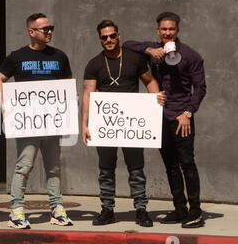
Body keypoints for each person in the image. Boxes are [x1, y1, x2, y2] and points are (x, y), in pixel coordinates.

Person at [123, 12, 206, 228]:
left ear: (177, 31)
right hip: (158, 115)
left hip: (181, 117)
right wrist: (149, 50)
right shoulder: (153, 50)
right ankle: (180, 209)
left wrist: (188, 113)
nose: (167, 33)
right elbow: (127, 45)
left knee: (187, 163)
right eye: (163, 29)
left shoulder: (191, 55)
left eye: (171, 29)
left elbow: (200, 89)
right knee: (170, 165)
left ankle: (195, 211)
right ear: (158, 31)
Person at [82, 20, 166, 227]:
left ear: (119, 36)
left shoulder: (134, 59)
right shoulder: (94, 63)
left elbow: (150, 81)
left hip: (132, 123)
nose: (109, 40)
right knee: (106, 169)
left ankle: (141, 209)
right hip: (105, 124)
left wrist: (157, 102)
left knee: (136, 168)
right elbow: (88, 94)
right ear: (100, 39)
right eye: (104, 37)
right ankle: (107, 209)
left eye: (112, 36)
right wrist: (84, 124)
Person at [0, 13, 74, 229]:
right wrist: (3, 107)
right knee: (24, 166)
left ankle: (57, 210)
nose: (49, 32)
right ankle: (16, 211)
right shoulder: (16, 57)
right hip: (27, 123)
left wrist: (70, 98)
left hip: (51, 123)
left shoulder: (59, 56)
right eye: (44, 29)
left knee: (53, 167)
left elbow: (68, 83)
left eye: (51, 28)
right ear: (31, 32)